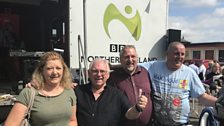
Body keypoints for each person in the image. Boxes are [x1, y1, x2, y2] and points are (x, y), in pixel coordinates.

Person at [140, 41, 217, 126]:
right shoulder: (154, 66)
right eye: (176, 53)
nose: (180, 57)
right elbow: (133, 66)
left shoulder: (189, 73)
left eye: (182, 54)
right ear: (167, 54)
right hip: (157, 123)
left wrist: (219, 103)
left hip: (181, 124)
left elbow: (202, 97)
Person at [4, 52, 78, 126]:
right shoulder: (29, 93)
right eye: (49, 68)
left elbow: (72, 121)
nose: (55, 72)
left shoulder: (69, 91)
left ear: (63, 70)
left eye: (58, 68)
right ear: (42, 70)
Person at [75, 58, 148, 126]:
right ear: (89, 73)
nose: (99, 74)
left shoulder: (117, 95)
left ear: (108, 74)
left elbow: (129, 114)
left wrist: (138, 108)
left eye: (102, 71)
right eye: (95, 71)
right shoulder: (78, 92)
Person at [107, 45, 152, 126]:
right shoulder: (113, 77)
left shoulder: (145, 73)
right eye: (126, 57)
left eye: (133, 56)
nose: (130, 60)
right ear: (120, 60)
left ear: (137, 58)